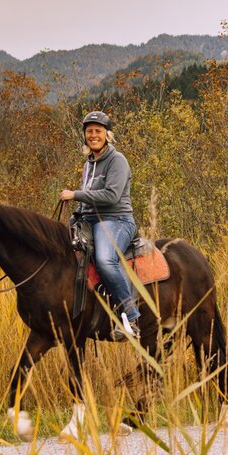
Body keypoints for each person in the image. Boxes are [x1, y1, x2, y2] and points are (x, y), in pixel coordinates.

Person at [60, 110, 140, 341]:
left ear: (107, 135)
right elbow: (89, 199)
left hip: (117, 220)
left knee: (106, 260)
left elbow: (111, 196)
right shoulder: (89, 164)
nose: (93, 135)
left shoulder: (118, 160)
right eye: (89, 131)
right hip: (92, 220)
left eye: (98, 131)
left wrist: (75, 194)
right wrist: (77, 215)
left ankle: (131, 316)